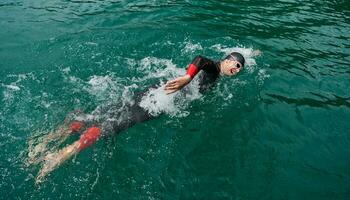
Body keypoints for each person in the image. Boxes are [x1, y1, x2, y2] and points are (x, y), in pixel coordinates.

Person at [33, 52, 245, 183]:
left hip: (156, 90)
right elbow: (200, 59)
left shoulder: (219, 70)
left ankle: (45, 142)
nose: (236, 69)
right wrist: (187, 78)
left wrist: (252, 53)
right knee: (114, 125)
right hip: (160, 101)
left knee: (104, 113)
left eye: (240, 68)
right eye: (235, 64)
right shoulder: (214, 71)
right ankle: (60, 156)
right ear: (226, 60)